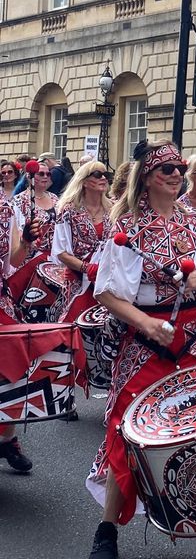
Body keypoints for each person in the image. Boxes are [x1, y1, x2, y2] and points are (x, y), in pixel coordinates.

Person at [86, 139, 196, 559]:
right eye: (168, 170)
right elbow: (106, 292)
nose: (177, 175)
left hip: (193, 337)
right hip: (145, 341)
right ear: (147, 176)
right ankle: (107, 529)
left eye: (180, 168)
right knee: (127, 434)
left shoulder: (193, 221)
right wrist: (146, 324)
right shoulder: (126, 226)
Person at [51, 161, 112, 323]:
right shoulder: (68, 210)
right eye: (98, 175)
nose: (103, 178)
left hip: (106, 281)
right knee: (74, 326)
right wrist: (87, 268)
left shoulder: (113, 209)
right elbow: (61, 252)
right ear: (84, 181)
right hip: (77, 279)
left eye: (106, 175)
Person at [0, 190, 34, 473]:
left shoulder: (6, 208)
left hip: (1, 303)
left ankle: (7, 439)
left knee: (13, 371)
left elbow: (13, 261)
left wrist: (25, 242)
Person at [7, 161, 59, 322]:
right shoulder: (18, 201)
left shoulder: (55, 199)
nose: (45, 177)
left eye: (48, 174)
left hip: (54, 259)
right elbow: (18, 234)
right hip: (30, 260)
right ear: (30, 177)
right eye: (40, 174)